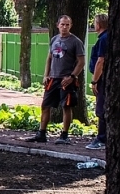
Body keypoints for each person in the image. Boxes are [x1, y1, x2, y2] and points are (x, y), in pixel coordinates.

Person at [28, 15, 84, 144]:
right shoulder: (54, 39)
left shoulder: (76, 41)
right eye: (62, 24)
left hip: (67, 80)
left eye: (67, 24)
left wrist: (72, 77)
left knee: (66, 107)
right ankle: (41, 133)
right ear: (57, 25)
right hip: (53, 78)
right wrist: (46, 75)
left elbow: (81, 62)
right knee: (45, 105)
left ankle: (64, 135)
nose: (64, 27)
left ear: (71, 26)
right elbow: (49, 58)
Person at [86, 13, 109, 150]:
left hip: (102, 79)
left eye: (95, 23)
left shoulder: (103, 39)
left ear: (99, 24)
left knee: (101, 107)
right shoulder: (106, 37)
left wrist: (94, 81)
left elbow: (100, 61)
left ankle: (101, 138)